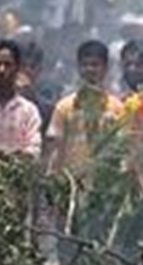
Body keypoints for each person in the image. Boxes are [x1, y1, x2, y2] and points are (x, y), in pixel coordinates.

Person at [47, 40, 124, 175]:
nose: (90, 69)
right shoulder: (65, 107)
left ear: (105, 68)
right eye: (85, 65)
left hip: (104, 183)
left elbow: (122, 149)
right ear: (78, 68)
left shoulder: (116, 108)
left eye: (95, 65)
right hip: (70, 183)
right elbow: (55, 148)